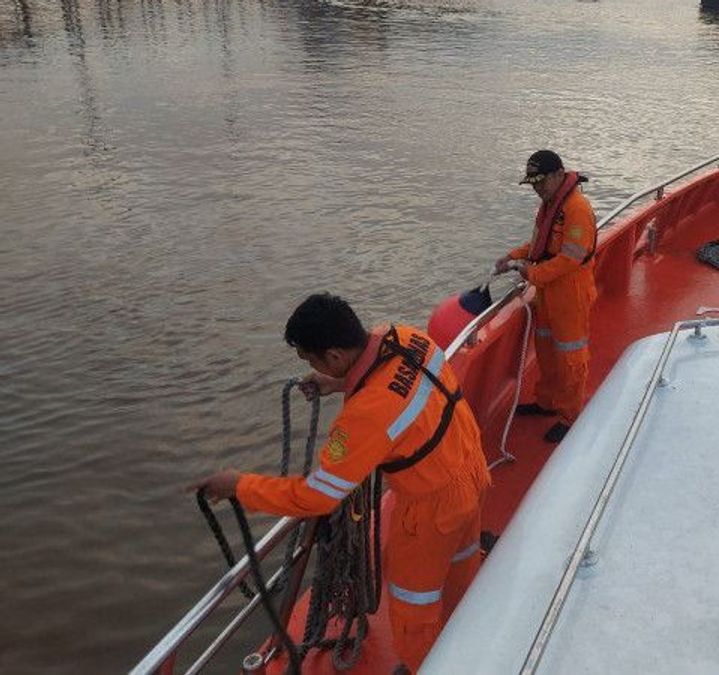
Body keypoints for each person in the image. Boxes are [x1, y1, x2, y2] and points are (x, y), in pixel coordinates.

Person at [189, 293, 491, 672]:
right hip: (471, 468)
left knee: (413, 608)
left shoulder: (365, 416)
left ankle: (429, 665)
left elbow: (317, 496)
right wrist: (343, 382)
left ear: (333, 356)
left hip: (432, 509)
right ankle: (473, 630)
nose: (310, 365)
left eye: (310, 358)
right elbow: (392, 388)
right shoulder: (405, 337)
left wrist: (239, 486)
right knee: (463, 564)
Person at [494, 150, 598, 444]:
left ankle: (570, 416)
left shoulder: (577, 209)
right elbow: (540, 244)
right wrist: (512, 257)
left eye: (541, 182)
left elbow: (570, 259)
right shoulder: (552, 205)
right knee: (547, 351)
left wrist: (530, 275)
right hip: (549, 293)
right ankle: (547, 401)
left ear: (557, 176)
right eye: (533, 184)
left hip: (570, 294)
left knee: (570, 356)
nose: (537, 189)